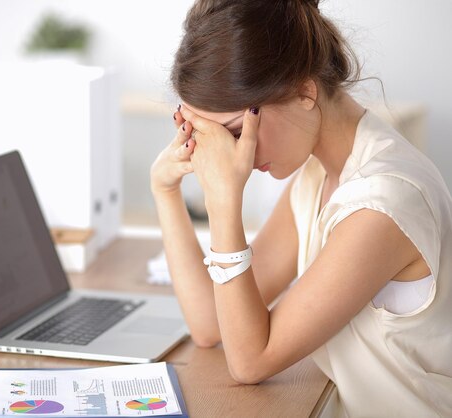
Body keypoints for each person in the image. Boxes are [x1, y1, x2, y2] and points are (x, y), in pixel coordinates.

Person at [150, 0, 452, 416]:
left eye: (237, 132)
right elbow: (210, 324)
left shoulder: (382, 201)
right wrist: (164, 189)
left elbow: (250, 360)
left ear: (304, 92)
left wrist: (224, 201)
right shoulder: (318, 175)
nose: (233, 156)